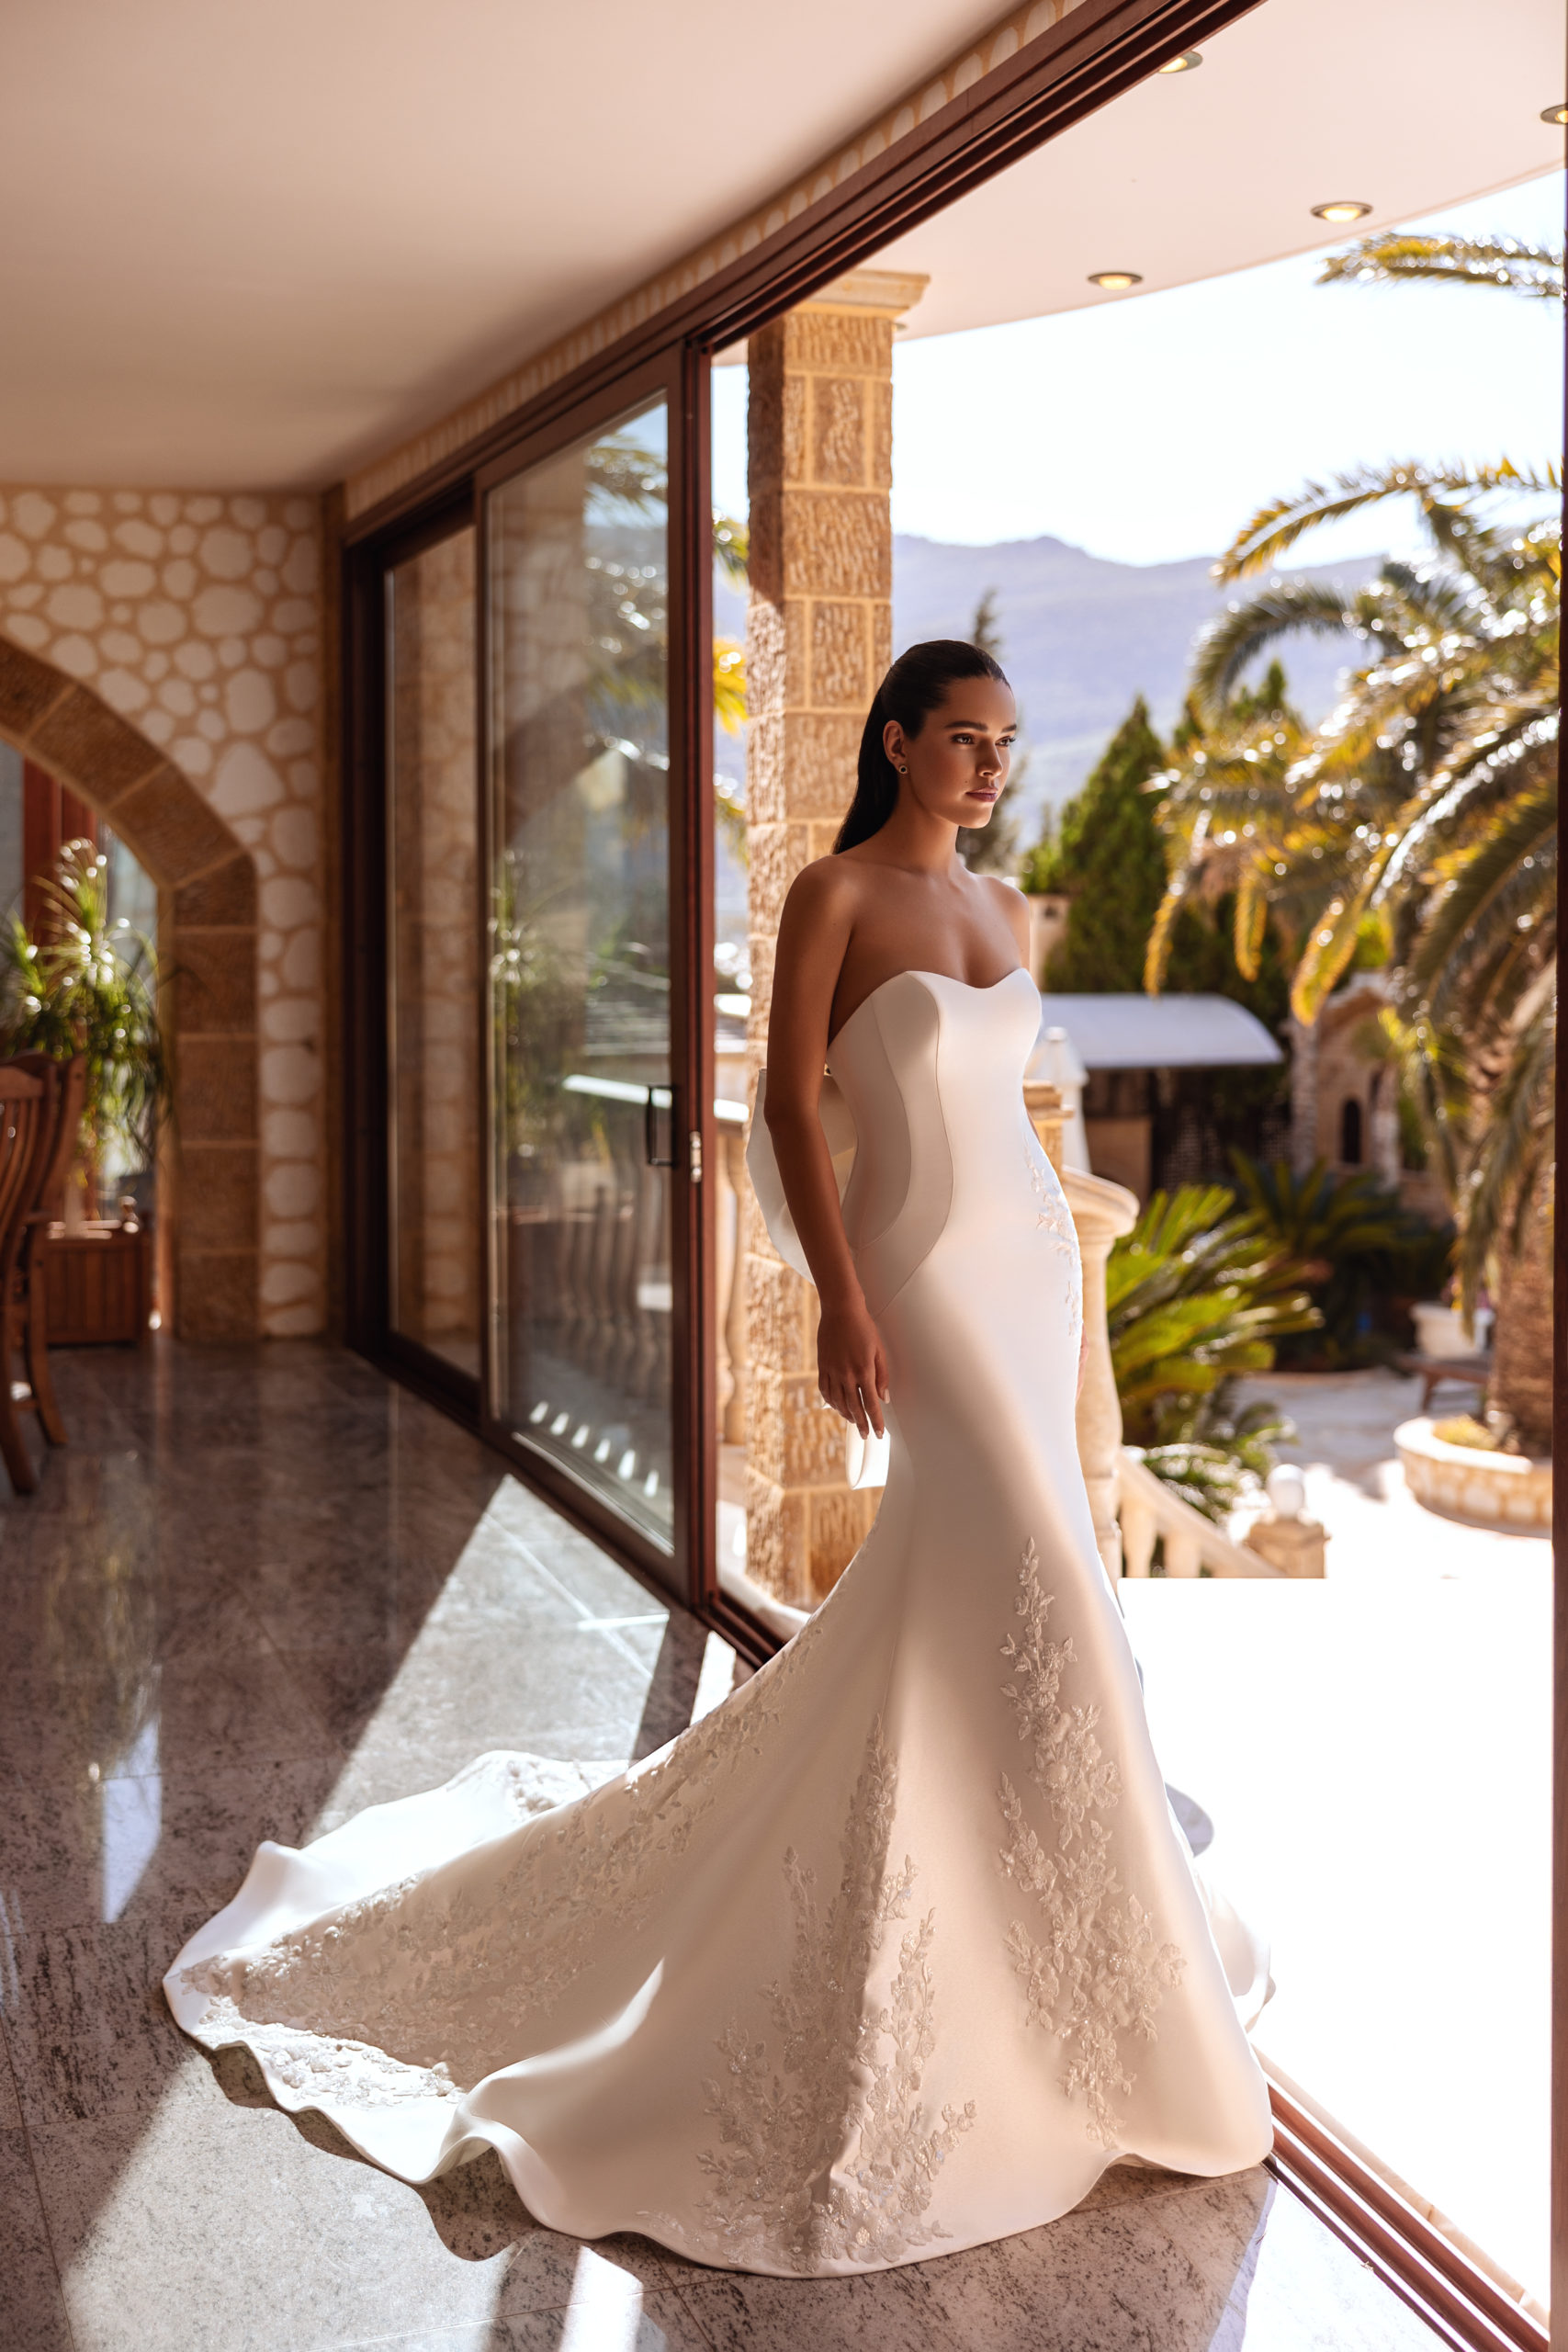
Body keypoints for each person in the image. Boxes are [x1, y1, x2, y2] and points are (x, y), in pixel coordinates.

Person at [164, 639, 1271, 2278]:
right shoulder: (836, 896)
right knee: (1030, 1572)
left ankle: (1050, 1948)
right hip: (914, 1272)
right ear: (898, 742)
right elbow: (781, 1106)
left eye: (1005, 743)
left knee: (1013, 1585)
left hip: (1030, 1270)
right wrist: (840, 1295)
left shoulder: (1008, 906)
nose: (988, 766)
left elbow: (1024, 1128)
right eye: (962, 739)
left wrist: (1051, 1270)